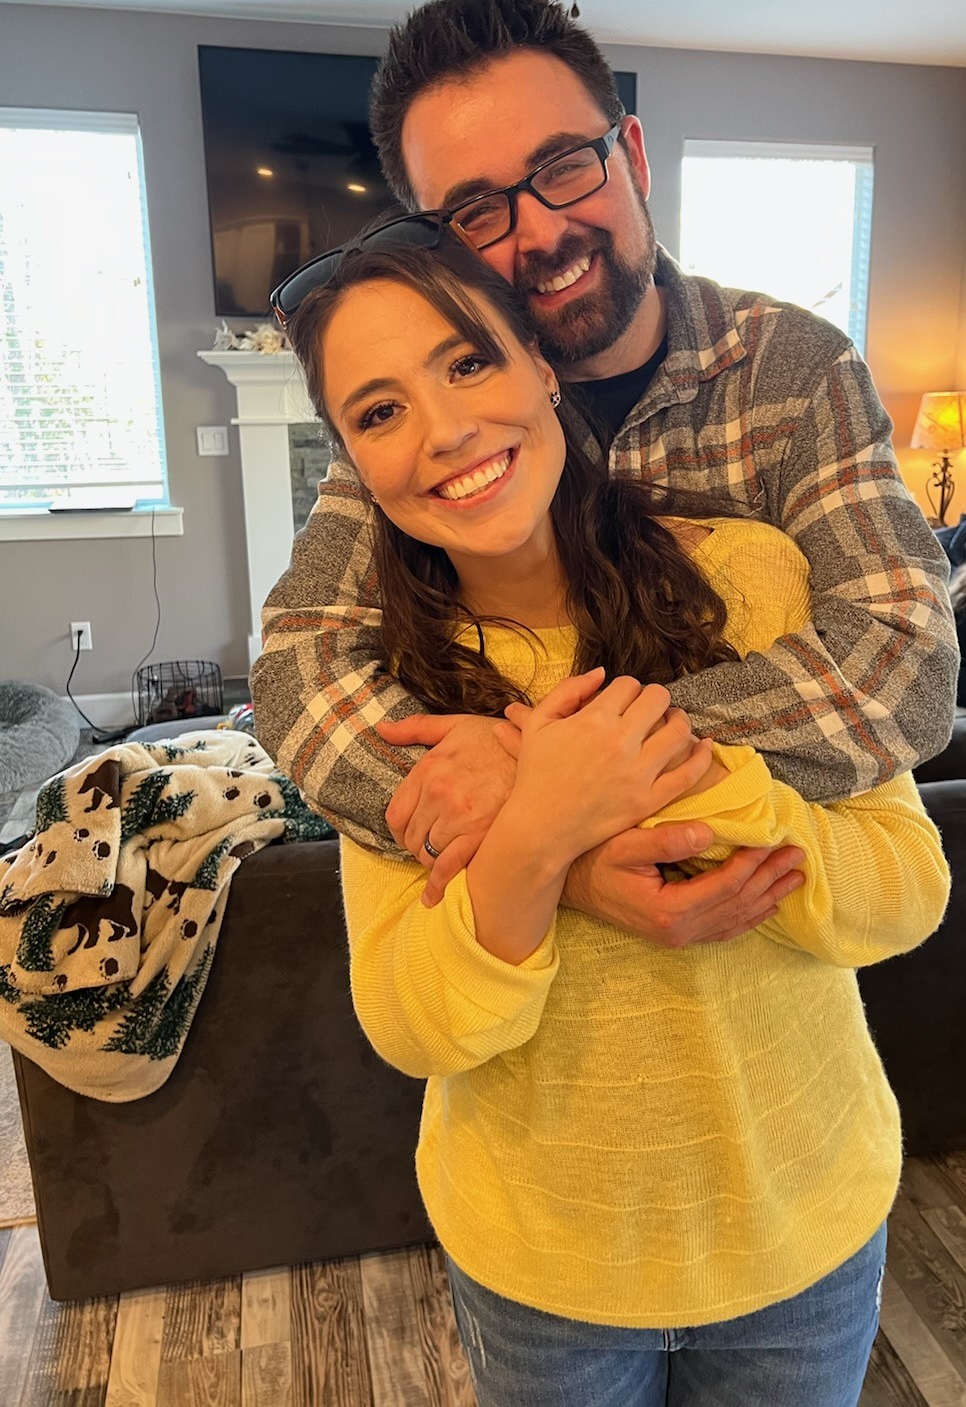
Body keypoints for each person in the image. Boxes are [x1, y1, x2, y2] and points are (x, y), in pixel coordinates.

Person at [276, 225, 949, 1405]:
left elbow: (907, 887)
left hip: (807, 1229)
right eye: (377, 412)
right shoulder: (381, 692)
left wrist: (675, 775)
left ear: (545, 369)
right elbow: (416, 1023)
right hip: (543, 1273)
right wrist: (545, 841)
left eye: (468, 363)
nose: (443, 430)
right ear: (350, 467)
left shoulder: (754, 577)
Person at [252, 0, 956, 948]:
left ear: (630, 156)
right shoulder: (438, 417)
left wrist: (562, 772)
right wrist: (555, 855)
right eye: (476, 214)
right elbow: (299, 665)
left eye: (565, 167)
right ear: (434, 250)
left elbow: (904, 660)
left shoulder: (794, 367)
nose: (540, 231)